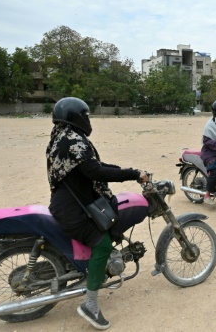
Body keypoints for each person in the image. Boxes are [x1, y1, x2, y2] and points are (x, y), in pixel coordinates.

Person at [46, 97, 148, 330]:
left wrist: (126, 170)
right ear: (76, 117)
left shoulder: (62, 137)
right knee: (102, 245)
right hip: (74, 210)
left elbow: (91, 167)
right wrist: (133, 174)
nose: (88, 120)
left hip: (72, 203)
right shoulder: (72, 141)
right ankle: (90, 305)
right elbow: (94, 170)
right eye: (87, 116)